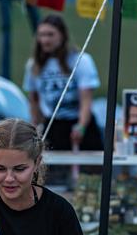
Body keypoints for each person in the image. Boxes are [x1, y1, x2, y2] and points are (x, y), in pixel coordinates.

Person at [23, 14, 103, 152]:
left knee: (91, 170)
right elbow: (34, 100)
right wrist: (35, 127)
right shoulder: (34, 65)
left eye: (50, 35)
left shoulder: (81, 60)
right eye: (42, 35)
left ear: (62, 36)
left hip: (79, 123)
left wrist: (81, 126)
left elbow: (86, 100)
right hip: (53, 124)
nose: (45, 40)